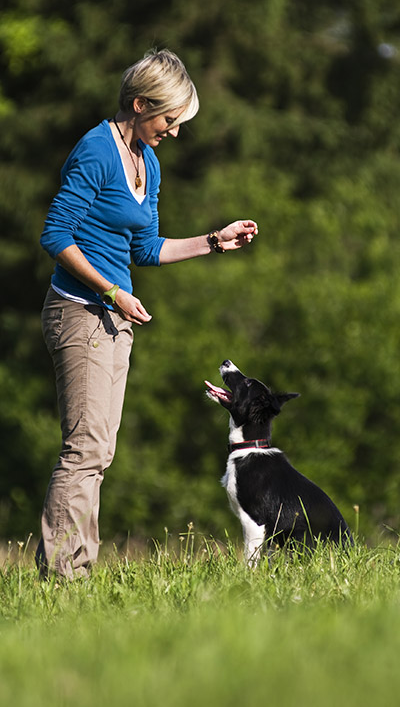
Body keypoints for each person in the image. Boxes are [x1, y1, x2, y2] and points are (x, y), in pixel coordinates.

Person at [36, 49, 258, 578]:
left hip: (116, 319)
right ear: (140, 105)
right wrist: (113, 292)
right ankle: (63, 579)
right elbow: (55, 236)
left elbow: (146, 248)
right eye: (169, 120)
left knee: (100, 452)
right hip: (80, 311)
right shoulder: (95, 150)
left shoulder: (147, 163)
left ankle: (76, 573)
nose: (175, 132)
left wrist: (212, 240)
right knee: (84, 449)